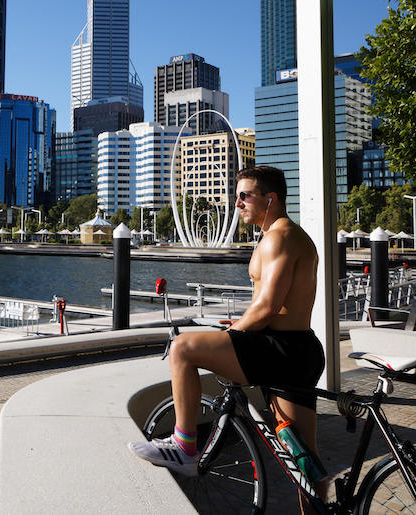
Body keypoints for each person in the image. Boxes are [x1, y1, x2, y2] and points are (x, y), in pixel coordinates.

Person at [129, 166, 327, 505]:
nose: (237, 204)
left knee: (182, 348)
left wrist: (235, 332)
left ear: (270, 198)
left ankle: (184, 446)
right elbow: (272, 308)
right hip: (299, 348)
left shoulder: (280, 237)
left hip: (281, 350)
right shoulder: (288, 235)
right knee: (304, 462)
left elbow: (267, 307)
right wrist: (236, 326)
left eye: (244, 196)